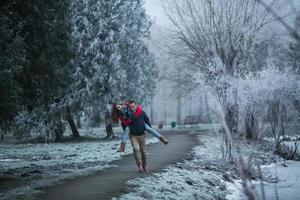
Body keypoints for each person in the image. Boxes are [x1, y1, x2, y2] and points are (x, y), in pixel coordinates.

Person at [127, 100, 151, 172]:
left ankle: (145, 165)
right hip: (133, 135)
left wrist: (149, 128)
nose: (132, 108)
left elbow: (147, 119)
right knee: (136, 149)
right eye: (130, 107)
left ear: (136, 105)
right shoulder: (128, 114)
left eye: (133, 106)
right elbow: (124, 123)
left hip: (142, 135)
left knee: (143, 151)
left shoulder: (141, 112)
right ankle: (139, 165)